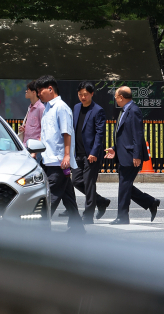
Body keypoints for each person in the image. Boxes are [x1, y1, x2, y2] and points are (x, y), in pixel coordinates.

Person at [35, 75, 84, 232]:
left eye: (40, 91)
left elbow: (66, 133)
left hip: (58, 160)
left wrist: (67, 156)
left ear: (50, 89)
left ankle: (40, 229)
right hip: (49, 159)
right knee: (67, 195)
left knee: (52, 196)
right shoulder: (48, 108)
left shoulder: (61, 107)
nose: (38, 94)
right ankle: (77, 227)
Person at [105, 87, 161, 225]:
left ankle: (123, 217)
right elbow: (124, 136)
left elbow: (137, 134)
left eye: (116, 96)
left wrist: (136, 155)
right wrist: (114, 149)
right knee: (126, 185)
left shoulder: (134, 110)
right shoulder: (124, 110)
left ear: (122, 97)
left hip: (131, 155)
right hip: (124, 153)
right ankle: (150, 202)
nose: (115, 99)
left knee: (124, 185)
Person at [69, 82, 110, 223]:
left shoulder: (98, 110)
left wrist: (94, 152)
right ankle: (101, 201)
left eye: (85, 94)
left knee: (89, 183)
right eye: (80, 94)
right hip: (78, 153)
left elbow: (100, 134)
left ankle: (88, 215)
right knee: (76, 181)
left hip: (91, 155)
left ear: (92, 94)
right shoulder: (76, 108)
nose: (82, 97)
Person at [18, 81, 44, 157]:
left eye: (28, 89)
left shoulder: (41, 108)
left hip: (36, 151)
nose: (26, 91)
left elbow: (43, 131)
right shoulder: (30, 107)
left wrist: (35, 152)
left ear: (33, 92)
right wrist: (24, 129)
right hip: (26, 148)